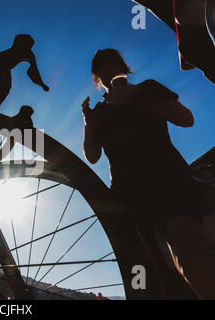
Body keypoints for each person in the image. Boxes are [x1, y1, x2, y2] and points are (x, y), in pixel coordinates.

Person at [81, 48, 215, 299]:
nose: (108, 69)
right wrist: (89, 125)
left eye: (113, 63)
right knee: (149, 273)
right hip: (127, 194)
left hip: (168, 178)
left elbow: (186, 119)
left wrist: (142, 99)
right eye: (101, 67)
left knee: (188, 254)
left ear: (123, 68)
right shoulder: (99, 113)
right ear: (97, 77)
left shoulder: (148, 88)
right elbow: (92, 155)